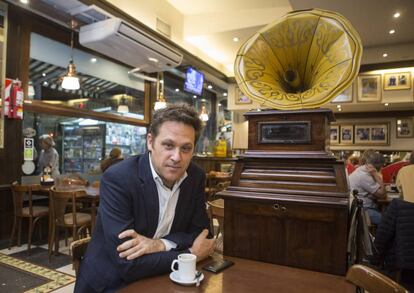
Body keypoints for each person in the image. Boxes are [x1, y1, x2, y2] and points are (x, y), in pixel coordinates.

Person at [75, 104, 215, 292]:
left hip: (164, 279)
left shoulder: (195, 176)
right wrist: (190, 254)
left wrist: (160, 244)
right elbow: (128, 264)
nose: (176, 157)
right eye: (168, 145)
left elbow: (203, 235)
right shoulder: (119, 178)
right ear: (150, 142)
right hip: (112, 284)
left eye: (186, 148)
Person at [349, 150, 386, 225]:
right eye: (381, 166)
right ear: (377, 166)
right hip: (364, 210)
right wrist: (376, 175)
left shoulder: (361, 171)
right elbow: (383, 194)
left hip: (361, 207)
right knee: (387, 221)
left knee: (388, 213)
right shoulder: (364, 176)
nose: (382, 168)